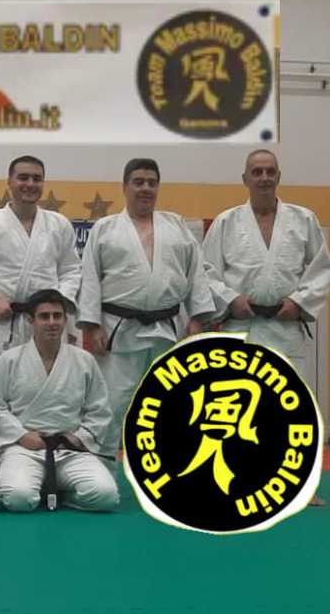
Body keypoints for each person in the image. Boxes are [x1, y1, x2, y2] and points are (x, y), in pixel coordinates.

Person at [77, 158, 214, 463]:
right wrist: (91, 325)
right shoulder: (105, 228)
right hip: (118, 329)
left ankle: (171, 468)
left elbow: (197, 272)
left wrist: (197, 318)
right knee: (111, 403)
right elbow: (89, 277)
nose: (145, 188)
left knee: (170, 403)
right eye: (138, 182)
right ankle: (101, 468)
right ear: (125, 186)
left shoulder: (176, 226)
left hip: (168, 329)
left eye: (152, 182)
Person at [201, 149, 330, 375]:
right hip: (241, 330)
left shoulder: (303, 219)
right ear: (245, 179)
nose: (264, 178)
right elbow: (205, 272)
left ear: (278, 177)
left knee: (286, 396)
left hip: (286, 333)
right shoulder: (226, 222)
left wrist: (300, 302)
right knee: (240, 395)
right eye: (257, 172)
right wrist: (230, 299)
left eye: (270, 172)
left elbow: (321, 270)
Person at [0, 289, 118, 512]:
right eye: (44, 316)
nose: (52, 322)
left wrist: (79, 437)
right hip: (24, 448)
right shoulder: (8, 360)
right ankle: (44, 486)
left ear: (65, 320)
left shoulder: (84, 361)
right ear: (31, 320)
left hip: (69, 449)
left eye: (57, 316)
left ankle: (62, 492)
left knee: (106, 496)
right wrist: (21, 435)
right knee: (18, 498)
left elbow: (99, 409)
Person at [0, 155, 81, 370]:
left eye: (37, 179)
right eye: (23, 178)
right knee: (2, 380)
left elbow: (71, 270)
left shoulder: (59, 225)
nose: (30, 184)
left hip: (47, 322)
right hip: (4, 322)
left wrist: (58, 303)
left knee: (51, 380)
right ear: (9, 182)